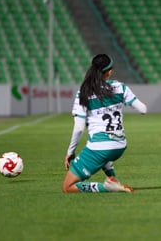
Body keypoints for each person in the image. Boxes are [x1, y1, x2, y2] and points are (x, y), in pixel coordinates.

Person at [62, 54, 147, 193]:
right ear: (109, 71)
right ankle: (113, 179)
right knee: (104, 154)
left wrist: (70, 152)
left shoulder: (84, 92)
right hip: (120, 146)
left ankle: (106, 187)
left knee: (67, 187)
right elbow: (143, 109)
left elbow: (78, 129)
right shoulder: (120, 87)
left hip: (100, 147)